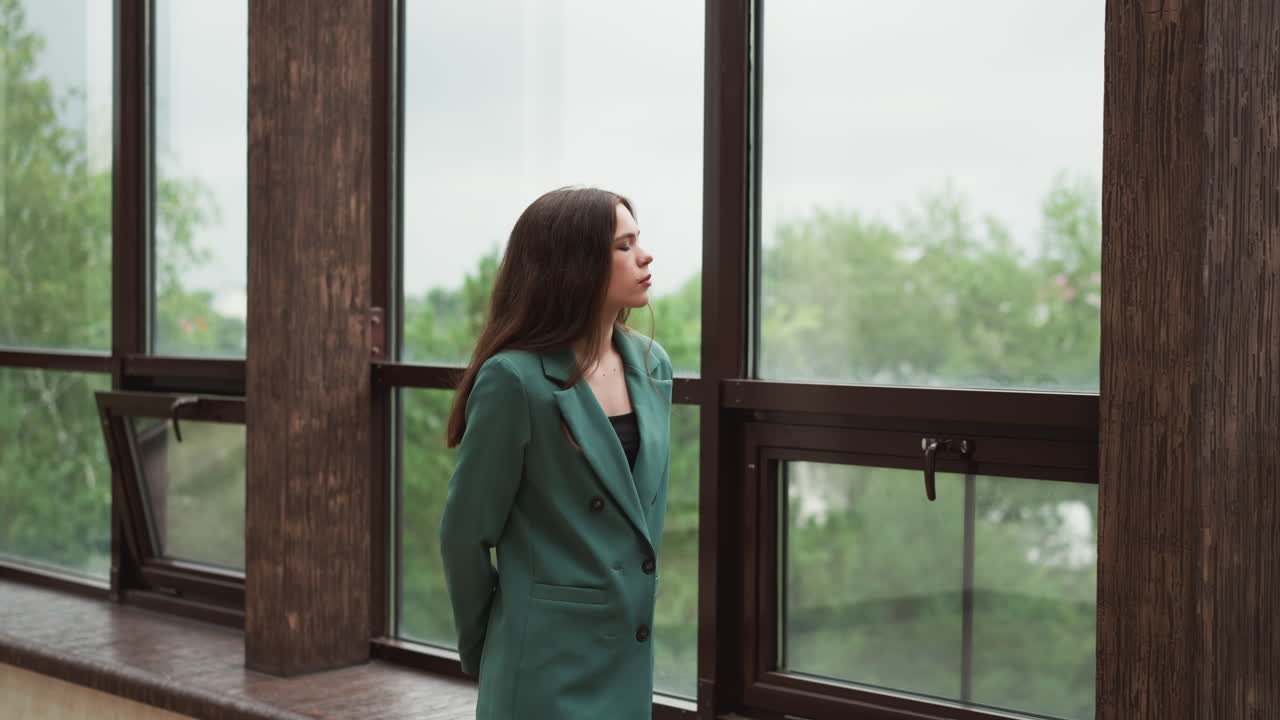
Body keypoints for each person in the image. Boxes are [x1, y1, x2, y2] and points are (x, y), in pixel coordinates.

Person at [439, 187, 673, 720]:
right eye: (623, 245)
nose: (645, 256)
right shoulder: (515, 380)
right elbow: (465, 533)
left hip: (628, 653)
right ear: (575, 264)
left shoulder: (653, 364)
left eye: (640, 240)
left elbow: (640, 515)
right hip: (543, 664)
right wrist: (489, 644)